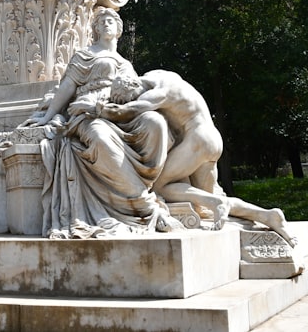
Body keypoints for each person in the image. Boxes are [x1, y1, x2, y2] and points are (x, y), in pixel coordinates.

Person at [22, 8, 179, 237]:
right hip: (88, 114)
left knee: (155, 123)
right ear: (95, 29)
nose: (106, 24)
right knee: (101, 138)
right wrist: (48, 116)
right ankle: (142, 203)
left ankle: (144, 184)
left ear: (119, 30)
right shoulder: (85, 55)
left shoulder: (125, 63)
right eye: (102, 21)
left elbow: (135, 96)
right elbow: (67, 88)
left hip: (119, 114)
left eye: (111, 21)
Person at [106, 71, 296, 245]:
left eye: (132, 97)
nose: (135, 99)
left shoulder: (155, 93)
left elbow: (129, 111)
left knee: (159, 187)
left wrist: (100, 110)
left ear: (135, 89)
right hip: (211, 138)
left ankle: (217, 204)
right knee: (206, 202)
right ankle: (267, 216)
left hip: (197, 141)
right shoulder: (161, 75)